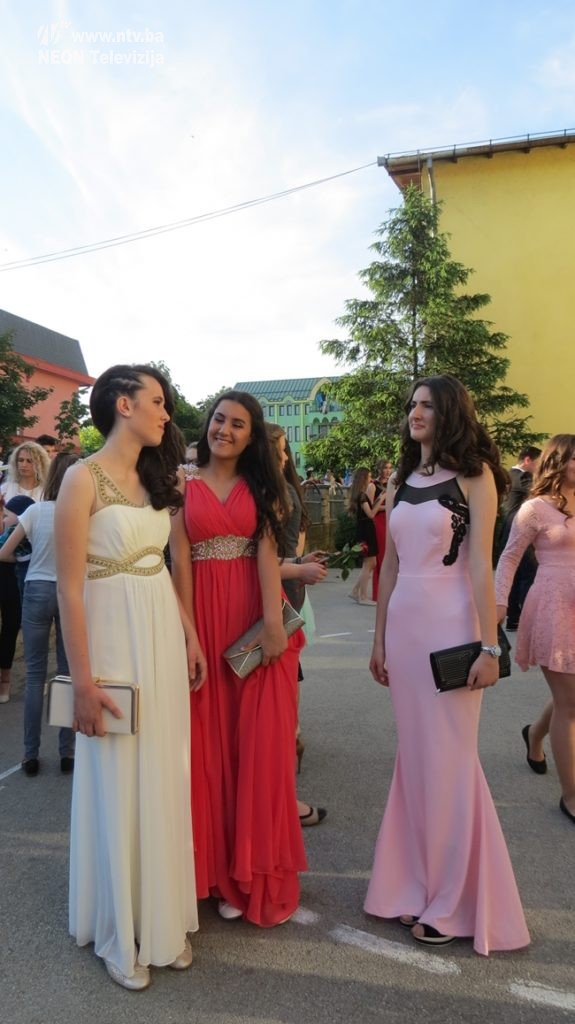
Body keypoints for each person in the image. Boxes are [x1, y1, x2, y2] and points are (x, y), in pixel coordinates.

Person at [365, 374, 529, 955]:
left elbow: (481, 566)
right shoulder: (400, 478)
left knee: (451, 760)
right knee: (415, 760)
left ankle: (456, 902)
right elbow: (389, 566)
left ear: (451, 413)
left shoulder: (475, 476)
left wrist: (490, 647)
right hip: (405, 629)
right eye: (412, 404)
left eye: (428, 406)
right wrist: (379, 640)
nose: (415, 413)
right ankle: (412, 883)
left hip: (453, 627)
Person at [55, 364, 203, 990]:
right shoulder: (80, 478)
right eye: (158, 401)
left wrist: (189, 634)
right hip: (112, 644)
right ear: (123, 404)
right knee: (117, 777)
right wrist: (83, 683)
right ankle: (118, 933)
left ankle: (161, 922)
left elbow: (163, 566)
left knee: (163, 771)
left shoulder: (156, 479)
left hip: (160, 637)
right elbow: (68, 589)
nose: (166, 414)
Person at [169, 390, 307, 926]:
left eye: (238, 424)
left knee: (256, 748)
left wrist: (273, 625)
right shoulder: (182, 482)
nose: (224, 430)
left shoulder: (262, 485)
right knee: (208, 745)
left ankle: (246, 874)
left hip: (252, 619)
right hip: (203, 617)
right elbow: (180, 560)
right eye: (219, 419)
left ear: (252, 436)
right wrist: (188, 635)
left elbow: (268, 555)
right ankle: (211, 873)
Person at [495, 434, 575, 825]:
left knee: (569, 697)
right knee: (571, 703)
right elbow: (509, 558)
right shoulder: (535, 508)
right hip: (552, 606)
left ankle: (535, 734)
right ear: (558, 461)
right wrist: (498, 604)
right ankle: (571, 795)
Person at [0, 455, 78, 773]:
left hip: (36, 589)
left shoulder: (35, 511)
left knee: (34, 676)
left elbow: (5, 553)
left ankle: (30, 754)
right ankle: (67, 752)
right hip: (71, 592)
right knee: (67, 673)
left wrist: (28, 559)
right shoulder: (84, 513)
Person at [265, 422, 327, 823]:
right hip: (283, 591)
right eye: (283, 450)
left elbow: (270, 557)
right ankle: (291, 746)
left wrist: (297, 565)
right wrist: (298, 566)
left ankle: (288, 755)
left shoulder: (279, 493)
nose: (287, 457)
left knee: (278, 684)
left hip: (283, 591)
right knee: (279, 686)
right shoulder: (279, 493)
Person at [498, 446, 542, 630]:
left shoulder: (509, 475)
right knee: (527, 575)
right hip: (520, 528)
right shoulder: (522, 477)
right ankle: (526, 618)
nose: (538, 467)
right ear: (527, 460)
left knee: (514, 576)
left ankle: (513, 618)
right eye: (537, 463)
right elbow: (539, 491)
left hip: (508, 529)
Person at [348, 468, 385, 605]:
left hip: (366, 529)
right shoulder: (362, 496)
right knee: (368, 563)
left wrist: (380, 499)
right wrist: (382, 498)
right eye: (369, 477)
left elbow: (371, 508)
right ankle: (363, 597)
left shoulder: (361, 495)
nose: (371, 479)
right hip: (365, 530)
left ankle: (354, 591)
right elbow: (371, 514)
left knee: (372, 563)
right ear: (363, 478)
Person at [371, 459, 393, 601]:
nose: (388, 470)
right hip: (379, 521)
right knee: (380, 556)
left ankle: (389, 590)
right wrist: (388, 506)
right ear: (380, 469)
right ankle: (378, 593)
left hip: (391, 520)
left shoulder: (393, 483)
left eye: (390, 468)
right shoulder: (374, 485)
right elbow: (372, 508)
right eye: (385, 468)